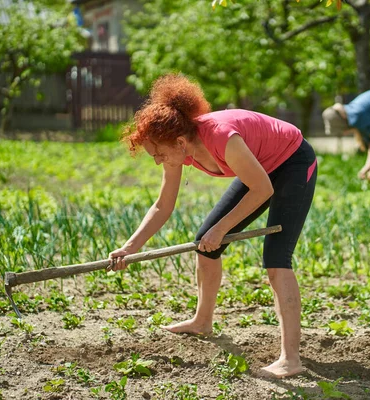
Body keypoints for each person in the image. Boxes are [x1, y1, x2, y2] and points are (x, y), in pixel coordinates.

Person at [108, 74, 317, 378]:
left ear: (179, 142)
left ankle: (291, 359)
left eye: (159, 154)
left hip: (292, 162)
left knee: (276, 258)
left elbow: (262, 189)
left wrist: (221, 229)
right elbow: (162, 206)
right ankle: (202, 321)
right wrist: (130, 247)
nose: (158, 161)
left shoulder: (221, 137)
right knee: (204, 244)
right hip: (259, 168)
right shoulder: (176, 148)